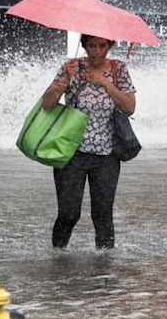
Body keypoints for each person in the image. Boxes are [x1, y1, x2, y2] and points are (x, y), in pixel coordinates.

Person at [41, 34, 136, 249]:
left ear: (109, 46)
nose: (96, 50)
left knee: (103, 216)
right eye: (91, 45)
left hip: (107, 156)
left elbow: (129, 107)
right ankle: (57, 256)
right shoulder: (71, 67)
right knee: (68, 214)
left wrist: (104, 82)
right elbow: (47, 104)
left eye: (101, 45)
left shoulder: (118, 69)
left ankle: (104, 265)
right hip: (70, 152)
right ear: (84, 46)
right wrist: (63, 82)